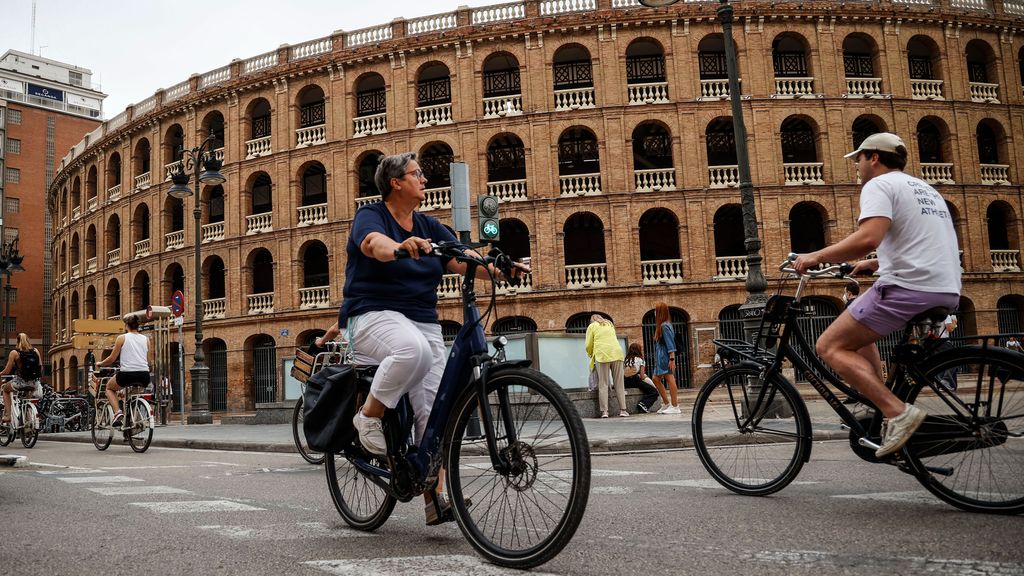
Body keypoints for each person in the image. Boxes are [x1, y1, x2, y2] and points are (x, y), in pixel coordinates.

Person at [339, 152, 523, 525]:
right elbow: (373, 244)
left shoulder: (429, 225)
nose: (424, 179)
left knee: (435, 408)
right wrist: (399, 248)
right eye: (416, 174)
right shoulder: (371, 216)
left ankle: (435, 499)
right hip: (371, 315)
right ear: (395, 182)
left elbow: (462, 258)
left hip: (422, 319)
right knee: (414, 350)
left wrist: (501, 268)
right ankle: (368, 417)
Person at [794, 132, 961, 458]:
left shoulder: (879, 185)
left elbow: (868, 236)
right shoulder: (924, 188)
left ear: (873, 158)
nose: (856, 166)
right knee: (857, 327)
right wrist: (877, 262)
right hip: (946, 286)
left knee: (828, 345)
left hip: (909, 286)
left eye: (858, 158)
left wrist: (816, 256)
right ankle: (880, 399)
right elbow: (917, 240)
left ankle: (897, 412)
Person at [94, 314, 151, 427]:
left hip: (127, 374)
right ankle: (133, 421)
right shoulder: (146, 339)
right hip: (144, 375)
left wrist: (100, 363)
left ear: (126, 326)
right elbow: (148, 361)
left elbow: (111, 358)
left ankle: (117, 413)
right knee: (131, 395)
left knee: (109, 388)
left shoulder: (122, 338)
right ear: (138, 326)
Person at [585, 314, 627, 418]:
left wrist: (590, 354)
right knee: (619, 383)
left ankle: (605, 412)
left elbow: (588, 344)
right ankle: (623, 410)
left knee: (603, 383)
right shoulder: (610, 324)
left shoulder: (592, 326)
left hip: (602, 354)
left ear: (592, 320)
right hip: (617, 353)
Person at [0, 333, 43, 430]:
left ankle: (7, 415)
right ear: (28, 340)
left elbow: (7, 370)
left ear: (17, 341)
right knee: (27, 400)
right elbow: (40, 368)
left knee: (5, 390)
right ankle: (28, 421)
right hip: (34, 383)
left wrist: (0, 374)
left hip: (21, 382)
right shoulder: (36, 351)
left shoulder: (14, 353)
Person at [651, 302, 681, 414]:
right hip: (661, 356)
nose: (654, 312)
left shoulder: (664, 326)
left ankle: (675, 406)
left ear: (659, 312)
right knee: (656, 379)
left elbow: (670, 343)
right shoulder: (663, 325)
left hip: (665, 356)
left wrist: (672, 359)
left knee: (669, 378)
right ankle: (667, 404)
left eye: (656, 310)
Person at [623, 342, 661, 413]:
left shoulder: (626, 360)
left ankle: (643, 404)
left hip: (625, 381)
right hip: (635, 380)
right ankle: (644, 404)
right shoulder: (641, 360)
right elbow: (642, 376)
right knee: (654, 392)